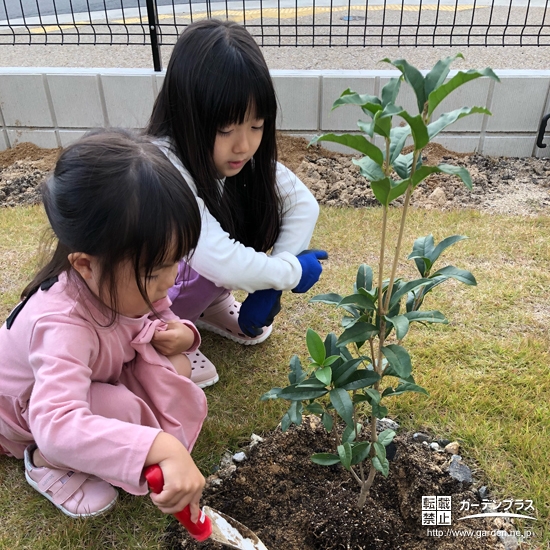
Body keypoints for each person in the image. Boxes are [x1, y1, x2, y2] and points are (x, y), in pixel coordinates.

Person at [0, 129, 208, 520]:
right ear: (85, 264)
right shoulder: (61, 323)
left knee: (177, 365)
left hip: (98, 374)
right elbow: (57, 423)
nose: (169, 281)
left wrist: (181, 331)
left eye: (176, 261)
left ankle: (117, 437)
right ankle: (46, 463)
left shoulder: (124, 282)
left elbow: (161, 310)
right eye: (154, 272)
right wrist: (160, 447)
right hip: (30, 412)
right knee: (119, 410)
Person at [147, 19, 327, 389]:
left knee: (244, 207)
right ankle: (159, 330)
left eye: (256, 125)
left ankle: (205, 304)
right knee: (197, 248)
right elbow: (218, 257)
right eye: (226, 129)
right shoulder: (163, 168)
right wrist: (290, 272)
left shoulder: (241, 160)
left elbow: (302, 204)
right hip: (137, 301)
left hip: (189, 276)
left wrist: (269, 286)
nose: (243, 145)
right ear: (187, 115)